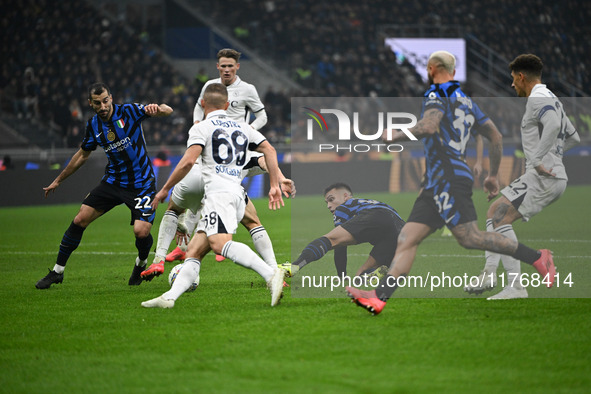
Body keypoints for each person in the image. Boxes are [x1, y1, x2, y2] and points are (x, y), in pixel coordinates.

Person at [346, 51, 556, 315]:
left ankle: (537, 257)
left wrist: (396, 135)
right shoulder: (467, 101)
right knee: (407, 238)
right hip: (436, 181)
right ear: (453, 72)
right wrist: (492, 174)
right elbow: (496, 136)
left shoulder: (435, 94)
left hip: (448, 177)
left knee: (470, 238)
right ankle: (378, 298)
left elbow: (430, 126)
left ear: (431, 69)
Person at [141, 83, 285, 308]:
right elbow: (270, 150)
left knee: (220, 245)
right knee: (194, 252)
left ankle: (270, 274)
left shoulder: (201, 127)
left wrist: (164, 189)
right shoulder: (242, 127)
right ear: (227, 105)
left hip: (219, 195)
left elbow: (188, 161)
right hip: (234, 194)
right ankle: (169, 298)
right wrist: (275, 184)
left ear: (202, 104)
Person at [36, 82, 173, 289]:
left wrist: (159, 108)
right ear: (90, 103)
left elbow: (167, 111)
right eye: (97, 103)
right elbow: (83, 155)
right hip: (113, 182)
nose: (103, 106)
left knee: (141, 232)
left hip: (141, 183)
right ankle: (57, 272)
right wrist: (58, 179)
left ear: (111, 98)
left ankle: (141, 263)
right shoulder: (93, 126)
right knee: (80, 219)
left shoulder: (129, 111)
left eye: (106, 101)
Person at [464, 54, 580, 299]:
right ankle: (493, 275)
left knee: (497, 217)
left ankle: (514, 282)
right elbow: (574, 137)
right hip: (551, 176)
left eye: (513, 80)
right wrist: (553, 157)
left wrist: (538, 160)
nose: (512, 85)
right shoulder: (553, 99)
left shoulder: (537, 98)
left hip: (543, 177)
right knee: (496, 216)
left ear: (521, 76)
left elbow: (553, 127)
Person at [149, 47, 275, 269]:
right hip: (211, 143)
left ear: (237, 67)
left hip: (236, 148)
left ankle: (201, 241)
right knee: (210, 189)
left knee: (214, 188)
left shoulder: (248, 89)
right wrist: (198, 124)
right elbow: (199, 107)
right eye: (223, 66)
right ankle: (197, 244)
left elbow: (262, 115)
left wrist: (248, 132)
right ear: (218, 67)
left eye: (230, 66)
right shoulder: (210, 86)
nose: (227, 70)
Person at [283, 183, 405, 279]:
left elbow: (339, 245)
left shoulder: (345, 206)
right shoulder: (372, 202)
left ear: (346, 196)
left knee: (330, 240)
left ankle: (296, 265)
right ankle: (377, 271)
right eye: (326, 202)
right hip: (401, 228)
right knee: (360, 276)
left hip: (376, 216)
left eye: (331, 199)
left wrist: (341, 275)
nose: (328, 206)